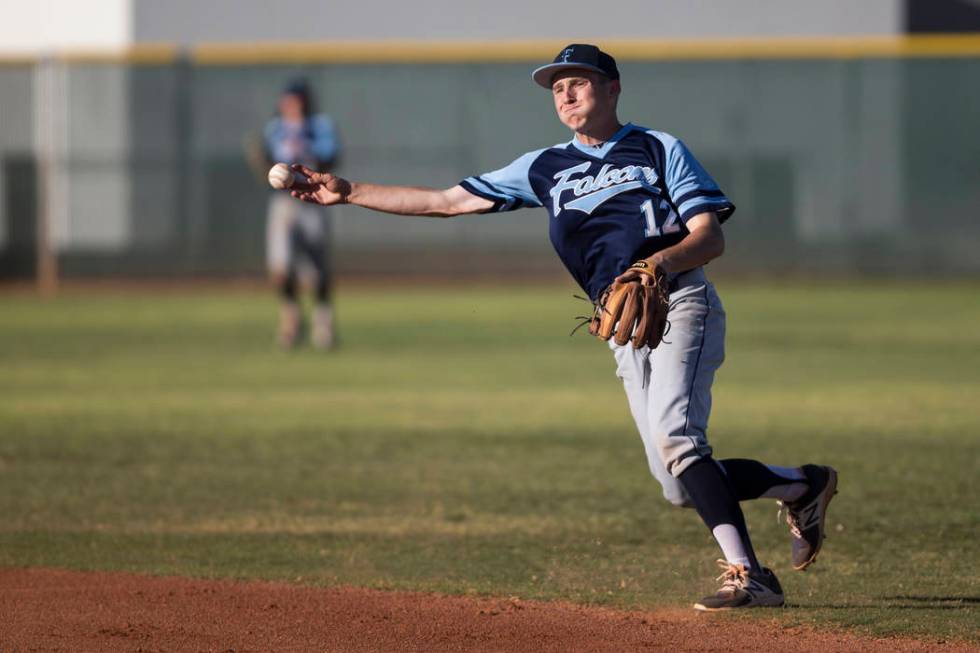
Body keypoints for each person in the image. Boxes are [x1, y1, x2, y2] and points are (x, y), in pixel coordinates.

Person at [287, 44, 838, 610]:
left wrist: (657, 263)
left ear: (613, 87)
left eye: (579, 81)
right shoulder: (542, 168)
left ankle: (750, 576)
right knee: (677, 484)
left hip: (679, 299)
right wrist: (349, 192)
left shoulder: (657, 148)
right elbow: (446, 201)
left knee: (677, 439)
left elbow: (710, 236)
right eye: (557, 88)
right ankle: (802, 484)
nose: (567, 94)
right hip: (622, 327)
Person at [255, 79, 340, 349]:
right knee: (280, 267)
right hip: (283, 202)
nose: (291, 105)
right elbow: (265, 160)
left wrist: (304, 145)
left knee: (318, 269)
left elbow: (331, 158)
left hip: (314, 200)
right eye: (287, 100)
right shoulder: (275, 129)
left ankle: (323, 323)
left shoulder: (319, 126)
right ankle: (291, 319)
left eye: (295, 99)